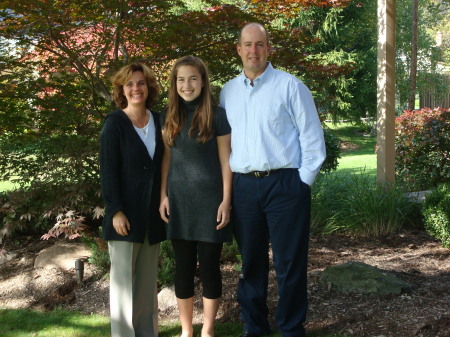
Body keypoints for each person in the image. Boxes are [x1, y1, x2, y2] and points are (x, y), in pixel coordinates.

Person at [220, 23, 326, 337]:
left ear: (269, 48)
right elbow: (224, 144)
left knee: (289, 262)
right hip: (244, 188)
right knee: (251, 261)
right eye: (247, 45)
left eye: (260, 44)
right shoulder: (228, 92)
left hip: (285, 186)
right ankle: (254, 327)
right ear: (238, 49)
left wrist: (301, 182)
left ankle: (291, 327)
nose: (253, 50)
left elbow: (312, 139)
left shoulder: (291, 86)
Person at [159, 55, 233, 337]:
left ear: (203, 81)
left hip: (211, 203)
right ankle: (187, 330)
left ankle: (208, 330)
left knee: (211, 268)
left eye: (192, 78)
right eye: (181, 79)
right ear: (174, 84)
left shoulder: (217, 115)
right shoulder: (168, 115)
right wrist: (163, 195)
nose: (187, 84)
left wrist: (227, 201)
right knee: (183, 268)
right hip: (179, 201)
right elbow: (167, 159)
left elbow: (227, 161)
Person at [100, 63, 166, 337]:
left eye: (141, 83)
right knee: (124, 285)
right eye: (130, 84)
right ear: (122, 90)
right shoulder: (115, 123)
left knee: (146, 286)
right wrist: (115, 211)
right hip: (124, 217)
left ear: (148, 87)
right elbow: (108, 170)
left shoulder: (160, 120)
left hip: (152, 216)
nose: (136, 88)